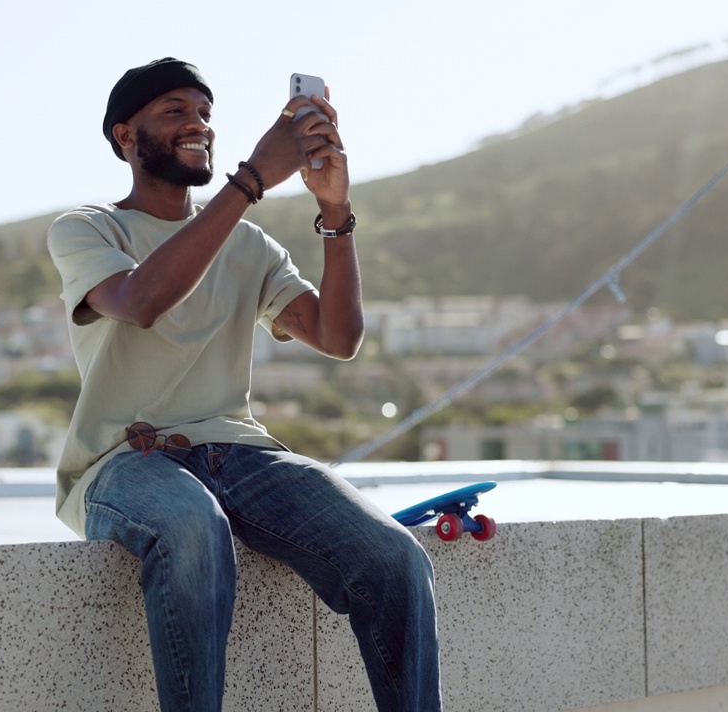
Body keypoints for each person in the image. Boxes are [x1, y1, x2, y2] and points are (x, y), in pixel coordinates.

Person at [46, 57, 441, 712]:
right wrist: (253, 178)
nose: (198, 124)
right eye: (174, 111)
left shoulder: (246, 242)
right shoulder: (89, 229)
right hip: (126, 460)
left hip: (241, 455)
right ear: (125, 136)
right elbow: (143, 300)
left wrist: (335, 209)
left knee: (395, 559)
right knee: (192, 527)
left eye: (204, 113)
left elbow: (338, 337)